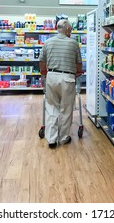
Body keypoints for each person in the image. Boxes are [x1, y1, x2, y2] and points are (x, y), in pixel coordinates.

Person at [39, 19, 83, 149]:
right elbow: (79, 65)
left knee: (51, 108)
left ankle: (51, 139)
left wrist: (44, 75)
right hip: (67, 78)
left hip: (51, 76)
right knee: (66, 109)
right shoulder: (74, 44)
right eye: (71, 30)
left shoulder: (47, 42)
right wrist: (75, 73)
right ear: (68, 30)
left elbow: (41, 62)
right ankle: (63, 138)